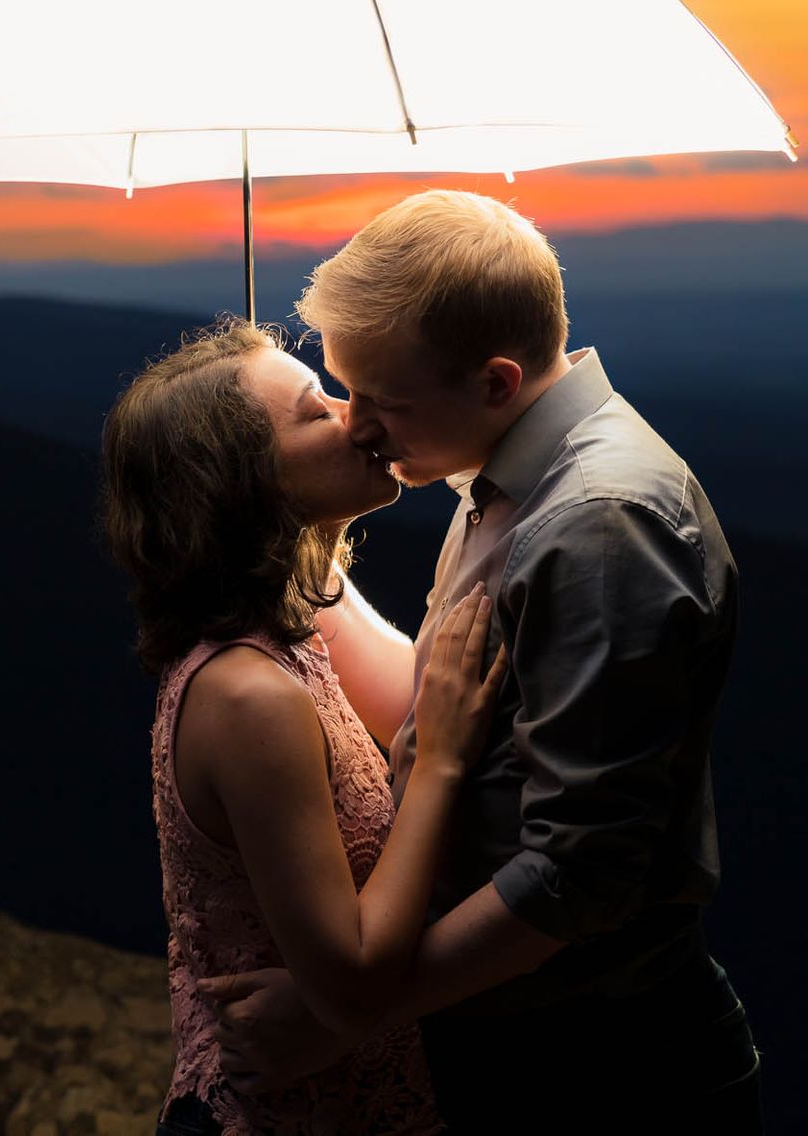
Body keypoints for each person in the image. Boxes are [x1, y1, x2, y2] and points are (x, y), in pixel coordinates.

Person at [196, 189, 762, 1134]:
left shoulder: (598, 524)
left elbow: (578, 873)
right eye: (349, 391)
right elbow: (445, 704)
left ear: (496, 380)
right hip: (535, 1050)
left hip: (610, 1071)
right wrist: (278, 538)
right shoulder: (506, 472)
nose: (359, 426)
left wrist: (350, 1011)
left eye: (387, 401)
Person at [102, 319, 510, 1135]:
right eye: (314, 409)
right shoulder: (250, 698)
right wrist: (439, 766)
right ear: (246, 487)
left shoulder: (287, 636)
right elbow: (351, 980)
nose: (353, 415)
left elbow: (397, 684)